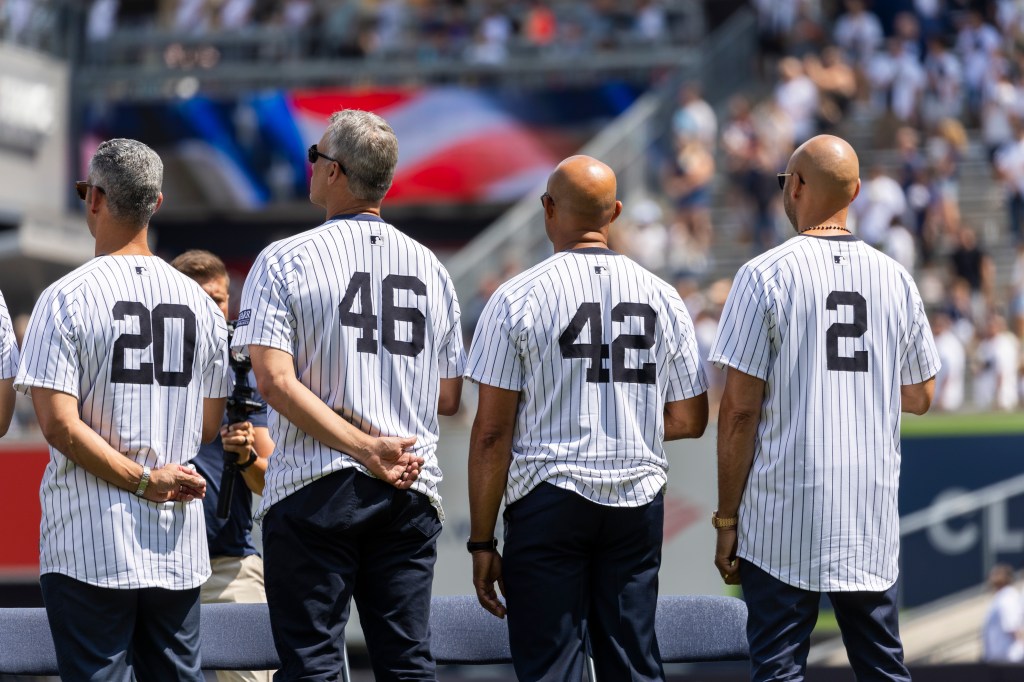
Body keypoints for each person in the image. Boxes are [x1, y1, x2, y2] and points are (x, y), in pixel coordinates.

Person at [231, 109, 466, 681]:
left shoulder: (284, 258)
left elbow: (275, 383)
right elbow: (449, 396)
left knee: (313, 665)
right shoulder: (431, 266)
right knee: (407, 663)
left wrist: (362, 443)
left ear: (335, 172)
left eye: (315, 156)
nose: (309, 164)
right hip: (408, 485)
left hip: (315, 484)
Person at [466, 155, 710, 681]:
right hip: (636, 499)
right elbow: (691, 418)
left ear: (548, 209)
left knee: (553, 669)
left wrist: (482, 542)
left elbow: (491, 433)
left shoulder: (516, 296)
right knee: (632, 664)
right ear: (615, 212)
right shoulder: (664, 296)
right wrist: (623, 418)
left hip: (550, 492)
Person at [709, 134, 940, 682]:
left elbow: (739, 411)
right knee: (883, 669)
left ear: (798, 186)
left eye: (786, 180)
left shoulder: (764, 273)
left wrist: (725, 519)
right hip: (867, 508)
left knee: (779, 670)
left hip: (782, 506)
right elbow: (922, 396)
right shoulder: (895, 278)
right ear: (856, 191)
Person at [15, 138, 231, 681]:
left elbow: (59, 426)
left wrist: (140, 480)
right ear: (156, 204)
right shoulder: (201, 306)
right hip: (176, 540)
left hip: (89, 539)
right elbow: (207, 426)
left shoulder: (63, 296)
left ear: (95, 200)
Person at [171, 249, 274, 682]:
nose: (216, 310)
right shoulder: (151, 366)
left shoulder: (243, 371)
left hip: (228, 565)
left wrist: (247, 457)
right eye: (203, 299)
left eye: (221, 299)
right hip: (157, 563)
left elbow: (269, 480)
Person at [982, 563, 1024, 662]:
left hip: (1010, 661)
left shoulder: (1008, 598)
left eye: (997, 574)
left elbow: (1016, 629)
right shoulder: (1000, 598)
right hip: (999, 661)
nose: (992, 578)